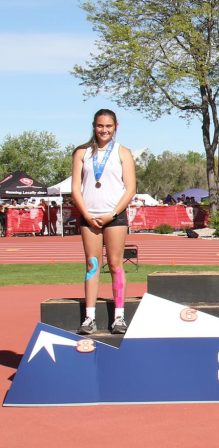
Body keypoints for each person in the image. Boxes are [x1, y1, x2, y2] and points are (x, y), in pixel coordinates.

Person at [70, 109, 137, 335]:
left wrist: (112, 213)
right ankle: (89, 317)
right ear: (93, 126)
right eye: (100, 126)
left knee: (116, 265)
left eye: (108, 126)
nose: (104, 130)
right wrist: (87, 214)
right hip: (89, 217)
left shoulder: (123, 152)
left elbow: (131, 189)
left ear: (115, 126)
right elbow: (75, 189)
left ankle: (119, 317)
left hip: (114, 216)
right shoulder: (81, 153)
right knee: (92, 265)